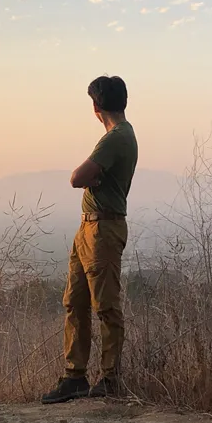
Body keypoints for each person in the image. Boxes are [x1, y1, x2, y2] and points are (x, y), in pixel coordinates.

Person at [42, 76, 139, 404]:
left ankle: (110, 378)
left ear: (96, 106)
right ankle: (75, 377)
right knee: (75, 301)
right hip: (89, 228)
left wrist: (89, 178)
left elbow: (76, 177)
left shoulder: (116, 137)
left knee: (106, 305)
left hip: (103, 229)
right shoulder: (119, 136)